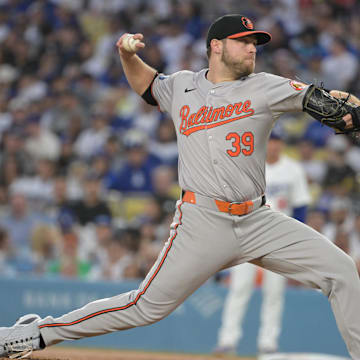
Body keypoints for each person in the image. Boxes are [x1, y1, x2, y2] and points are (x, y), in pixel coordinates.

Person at [1, 14, 360, 359]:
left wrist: (346, 107)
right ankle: (35, 333)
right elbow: (147, 84)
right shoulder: (182, 85)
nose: (252, 48)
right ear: (216, 46)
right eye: (244, 41)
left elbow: (319, 96)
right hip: (203, 221)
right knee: (143, 307)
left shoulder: (266, 86)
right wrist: (127, 55)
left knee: (342, 271)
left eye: (255, 42)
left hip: (259, 220)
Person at [214, 131, 311, 356]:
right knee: (239, 289)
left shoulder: (293, 169)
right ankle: (227, 340)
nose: (273, 146)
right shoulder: (249, 166)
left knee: (274, 293)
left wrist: (294, 240)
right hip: (248, 236)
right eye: (270, 141)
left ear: (282, 144)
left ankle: (268, 344)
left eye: (277, 141)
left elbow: (301, 207)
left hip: (278, 240)